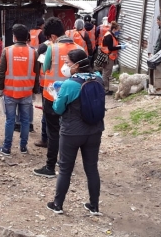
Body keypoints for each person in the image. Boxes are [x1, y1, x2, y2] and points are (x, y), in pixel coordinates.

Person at [46, 49, 104, 216]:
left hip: (72, 132)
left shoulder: (70, 84)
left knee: (65, 169)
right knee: (92, 168)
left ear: (77, 65)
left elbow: (58, 109)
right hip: (94, 130)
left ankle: (58, 204)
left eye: (68, 63)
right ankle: (94, 206)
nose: (66, 66)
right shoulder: (98, 79)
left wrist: (56, 96)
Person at [33, 17, 81, 178]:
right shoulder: (79, 48)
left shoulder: (52, 49)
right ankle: (66, 164)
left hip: (52, 98)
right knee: (68, 130)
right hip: (74, 98)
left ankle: (50, 167)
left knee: (53, 132)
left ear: (52, 36)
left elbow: (45, 67)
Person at [0, 24, 39, 156]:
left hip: (10, 92)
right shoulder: (33, 52)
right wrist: (34, 91)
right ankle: (23, 147)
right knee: (25, 120)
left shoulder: (7, 51)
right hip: (26, 92)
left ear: (14, 37)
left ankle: (7, 148)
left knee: (10, 120)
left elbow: (1, 72)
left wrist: (0, 88)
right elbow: (36, 73)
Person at [101, 21, 126, 95]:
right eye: (118, 30)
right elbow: (111, 47)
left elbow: (114, 43)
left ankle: (106, 89)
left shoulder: (111, 35)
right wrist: (120, 47)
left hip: (109, 56)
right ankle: (105, 90)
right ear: (114, 29)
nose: (119, 32)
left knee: (106, 73)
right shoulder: (109, 36)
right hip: (108, 57)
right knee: (106, 74)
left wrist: (120, 44)